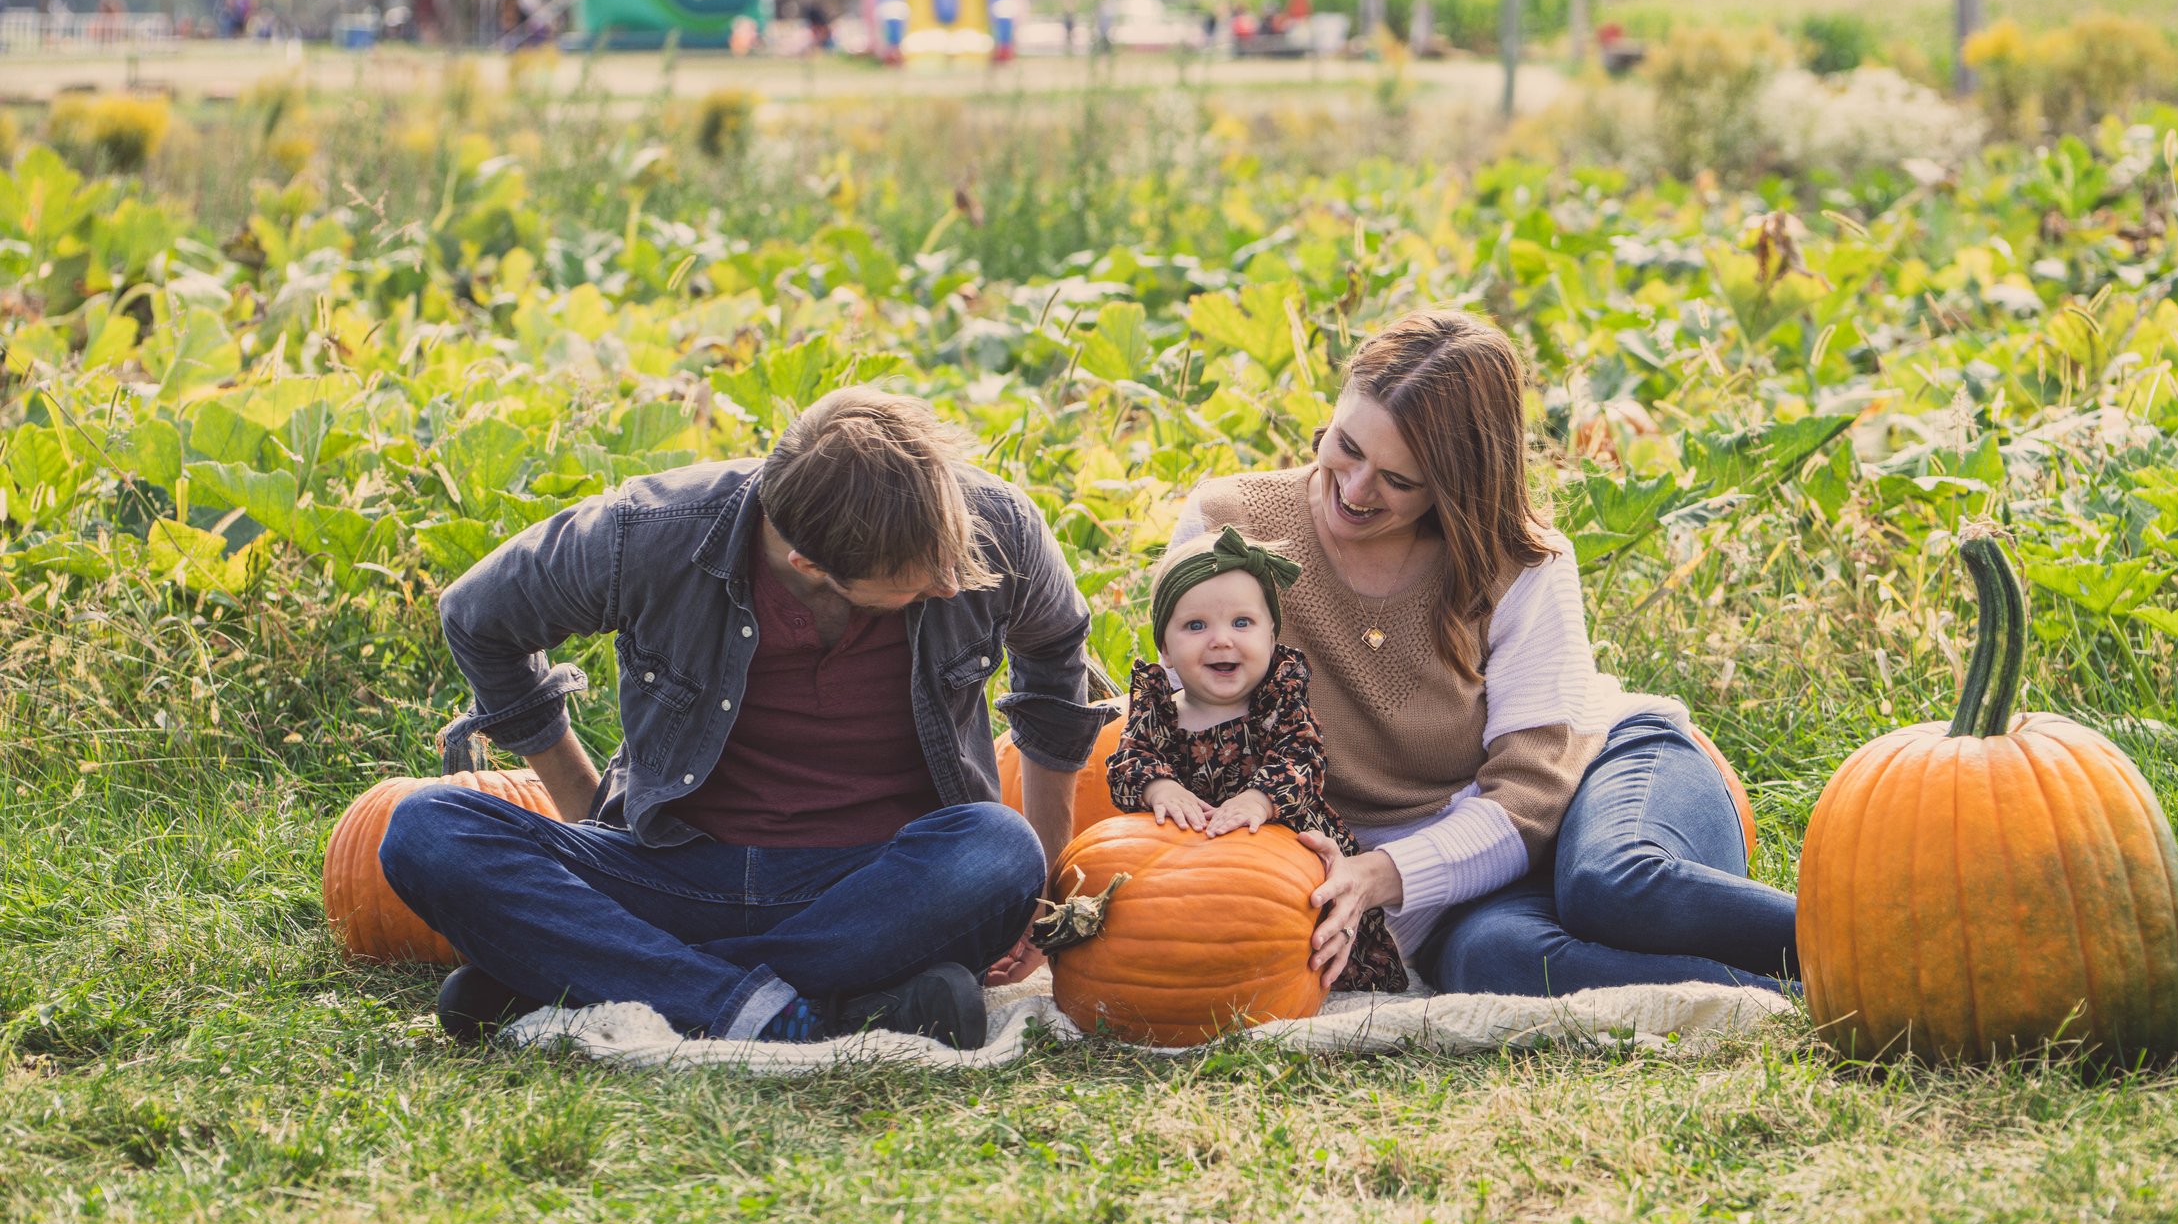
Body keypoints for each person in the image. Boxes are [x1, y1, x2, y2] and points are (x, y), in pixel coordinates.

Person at [378, 388, 1113, 1048]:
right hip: (667, 872)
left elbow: (1056, 663)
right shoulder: (649, 530)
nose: (953, 581)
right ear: (809, 565)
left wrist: (1044, 887)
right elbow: (478, 616)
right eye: (920, 579)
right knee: (427, 828)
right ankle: (821, 1010)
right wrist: (581, 809)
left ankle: (619, 984)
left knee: (999, 850)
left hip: (881, 891)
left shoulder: (998, 524)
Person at [1168, 310, 1797, 997]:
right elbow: (1194, 727)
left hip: (1602, 773)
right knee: (1489, 961)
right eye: (1346, 446)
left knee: (1609, 887)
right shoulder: (1230, 529)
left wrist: (1382, 875)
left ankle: (1886, 954)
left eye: (1399, 482)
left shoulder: (1520, 563)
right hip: (1466, 868)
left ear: (1458, 481)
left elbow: (1530, 794)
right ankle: (1807, 1001)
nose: (1354, 489)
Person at [1102, 526, 1405, 992]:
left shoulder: (1278, 702)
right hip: (1188, 874)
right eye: (1196, 626)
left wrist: (1260, 800)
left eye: (1241, 623)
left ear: (1270, 636)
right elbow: (1127, 762)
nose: (1221, 640)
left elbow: (1302, 757)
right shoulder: (1158, 711)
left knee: (1303, 937)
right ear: (1164, 646)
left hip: (1283, 869)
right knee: (1187, 942)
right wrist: (1160, 787)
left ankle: (1310, 978)